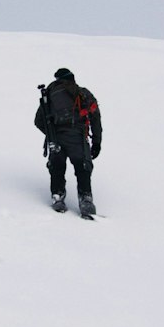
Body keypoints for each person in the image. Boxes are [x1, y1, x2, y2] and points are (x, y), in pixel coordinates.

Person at [34, 67, 102, 217]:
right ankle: (86, 201)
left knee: (57, 167)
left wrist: (52, 133)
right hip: (77, 138)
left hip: (56, 138)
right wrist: (97, 141)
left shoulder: (49, 95)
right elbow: (95, 116)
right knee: (82, 168)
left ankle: (58, 196)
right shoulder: (82, 93)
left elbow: (38, 121)